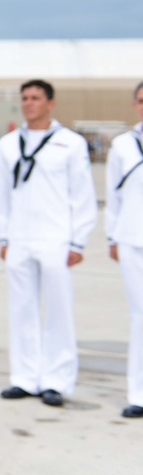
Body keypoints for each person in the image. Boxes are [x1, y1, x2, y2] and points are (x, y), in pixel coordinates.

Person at [0, 79, 97, 407]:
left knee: (58, 311)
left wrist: (78, 241)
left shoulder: (71, 143)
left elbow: (82, 195)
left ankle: (56, 380)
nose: (29, 103)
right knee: (21, 308)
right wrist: (5, 236)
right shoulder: (8, 144)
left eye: (36, 98)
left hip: (56, 237)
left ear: (50, 103)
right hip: (20, 237)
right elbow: (3, 196)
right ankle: (24, 377)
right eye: (25, 98)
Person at [105, 81, 143, 419]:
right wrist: (112, 238)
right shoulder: (123, 145)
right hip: (132, 240)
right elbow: (112, 197)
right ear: (135, 105)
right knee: (140, 317)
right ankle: (139, 393)